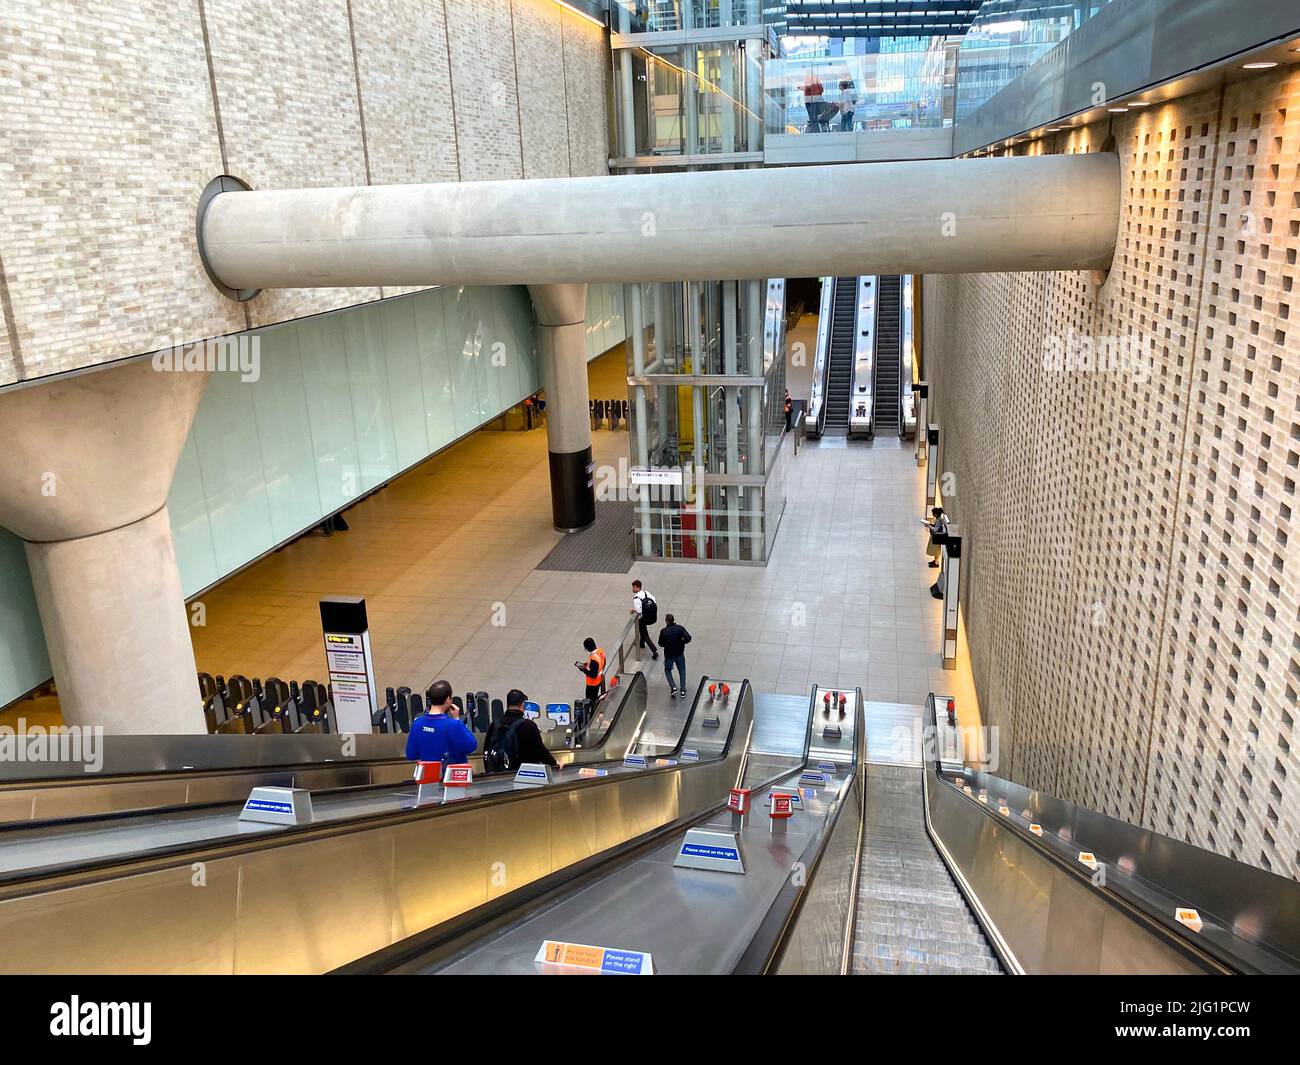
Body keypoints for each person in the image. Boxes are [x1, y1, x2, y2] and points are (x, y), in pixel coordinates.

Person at [483, 689, 559, 773]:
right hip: (524, 776)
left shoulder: (495, 725)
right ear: (523, 704)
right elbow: (540, 751)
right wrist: (554, 763)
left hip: (500, 776)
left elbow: (486, 750)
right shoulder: (529, 726)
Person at [405, 679, 478, 765]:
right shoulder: (453, 725)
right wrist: (457, 720)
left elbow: (411, 755)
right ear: (448, 699)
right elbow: (471, 746)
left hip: (428, 776)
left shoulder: (417, 723)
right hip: (450, 776)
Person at [657, 613, 692, 698]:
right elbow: (688, 638)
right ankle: (683, 690)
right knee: (682, 671)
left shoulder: (664, 631)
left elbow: (660, 643)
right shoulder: (680, 628)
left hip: (669, 654)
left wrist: (667, 644)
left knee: (667, 670)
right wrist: (682, 642)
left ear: (666, 621)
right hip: (679, 653)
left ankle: (673, 687)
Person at [630, 579, 659, 661]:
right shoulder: (646, 593)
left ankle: (654, 651)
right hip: (652, 617)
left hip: (643, 619)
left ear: (638, 588)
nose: (632, 589)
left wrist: (633, 611)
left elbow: (638, 612)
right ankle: (641, 643)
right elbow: (654, 600)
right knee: (642, 631)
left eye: (634, 587)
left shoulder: (636, 599)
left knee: (645, 634)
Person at [576, 636, 607, 708]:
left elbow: (593, 675)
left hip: (592, 684)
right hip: (598, 680)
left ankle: (591, 714)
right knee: (593, 699)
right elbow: (603, 663)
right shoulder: (600, 652)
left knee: (590, 701)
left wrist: (583, 669)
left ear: (588, 648)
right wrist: (588, 665)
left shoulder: (594, 659)